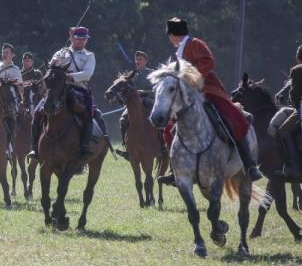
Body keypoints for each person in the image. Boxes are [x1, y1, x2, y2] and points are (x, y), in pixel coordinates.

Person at [158, 17, 262, 184]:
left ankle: (250, 166)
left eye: (169, 35)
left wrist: (191, 78)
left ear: (173, 34)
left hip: (209, 90)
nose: (169, 39)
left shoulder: (195, 44)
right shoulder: (179, 51)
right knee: (171, 127)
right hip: (189, 96)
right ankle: (174, 170)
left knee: (230, 119)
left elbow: (209, 62)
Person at [36, 26, 97, 158]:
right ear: (71, 38)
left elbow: (87, 74)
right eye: (78, 39)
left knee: (88, 113)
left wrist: (69, 77)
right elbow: (50, 69)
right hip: (57, 89)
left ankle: (84, 146)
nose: (81, 42)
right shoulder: (61, 53)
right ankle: (34, 147)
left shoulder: (89, 56)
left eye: (84, 39)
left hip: (78, 89)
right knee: (37, 112)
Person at [116, 51, 156, 159]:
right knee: (122, 120)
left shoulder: (152, 73)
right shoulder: (130, 74)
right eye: (137, 59)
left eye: (140, 59)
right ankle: (127, 148)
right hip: (134, 102)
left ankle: (161, 146)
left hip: (148, 100)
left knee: (156, 118)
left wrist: (144, 92)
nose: (138, 61)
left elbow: (157, 90)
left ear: (146, 61)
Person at [272, 45, 302, 179]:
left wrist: (293, 105)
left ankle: (294, 166)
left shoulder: (296, 70)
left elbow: (294, 94)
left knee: (284, 130)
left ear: (298, 58)